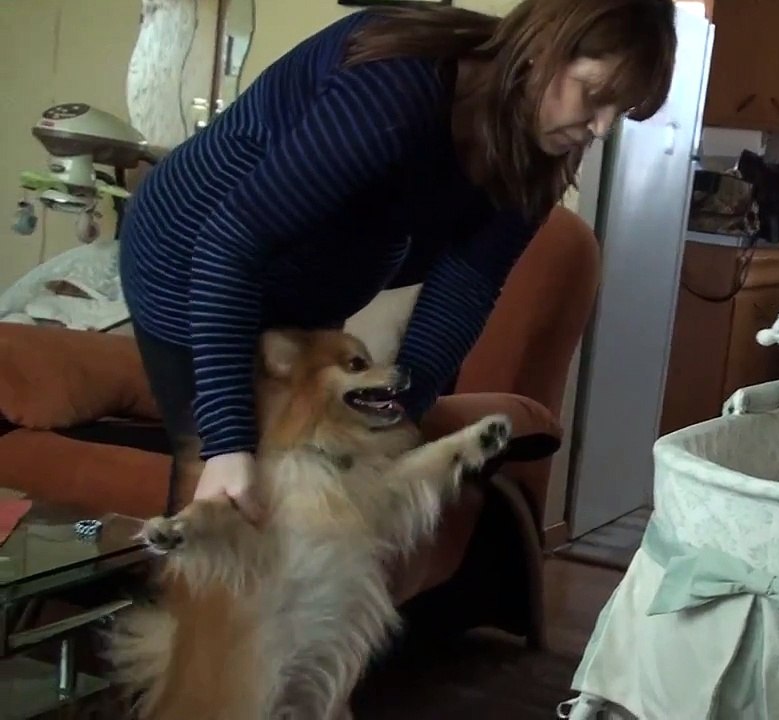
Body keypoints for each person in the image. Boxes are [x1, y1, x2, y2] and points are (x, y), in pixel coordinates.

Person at [118, 0, 677, 521]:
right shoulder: (395, 89)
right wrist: (225, 445)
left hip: (304, 299)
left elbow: (464, 289)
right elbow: (230, 243)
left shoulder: (532, 157)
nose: (601, 127)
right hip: (190, 261)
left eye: (619, 109)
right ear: (544, 47)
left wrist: (401, 413)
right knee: (227, 497)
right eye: (594, 94)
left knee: (308, 487)